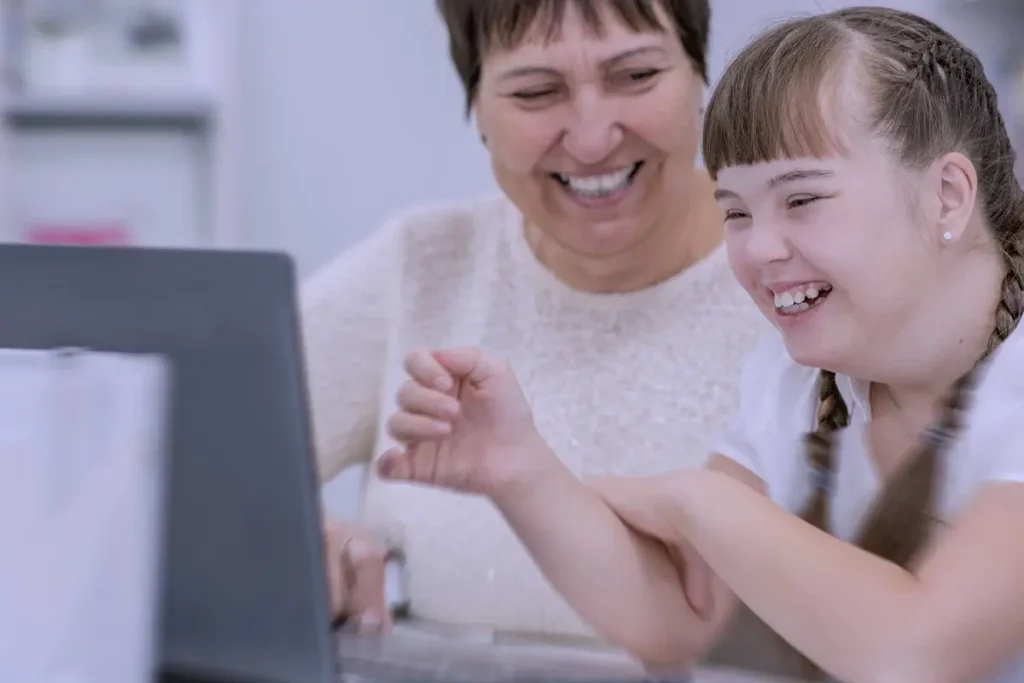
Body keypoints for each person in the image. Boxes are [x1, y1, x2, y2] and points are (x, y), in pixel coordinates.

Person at [380, 6, 1024, 681]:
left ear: (947, 195)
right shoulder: (794, 381)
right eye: (736, 211)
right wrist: (520, 469)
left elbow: (918, 650)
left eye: (801, 199)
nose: (758, 249)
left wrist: (703, 501)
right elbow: (676, 616)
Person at [302, 0, 771, 637]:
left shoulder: (800, 282)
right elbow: (173, 459)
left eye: (635, 77)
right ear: (477, 112)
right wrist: (285, 533)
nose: (592, 136)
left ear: (698, 78)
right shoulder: (420, 267)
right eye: (536, 92)